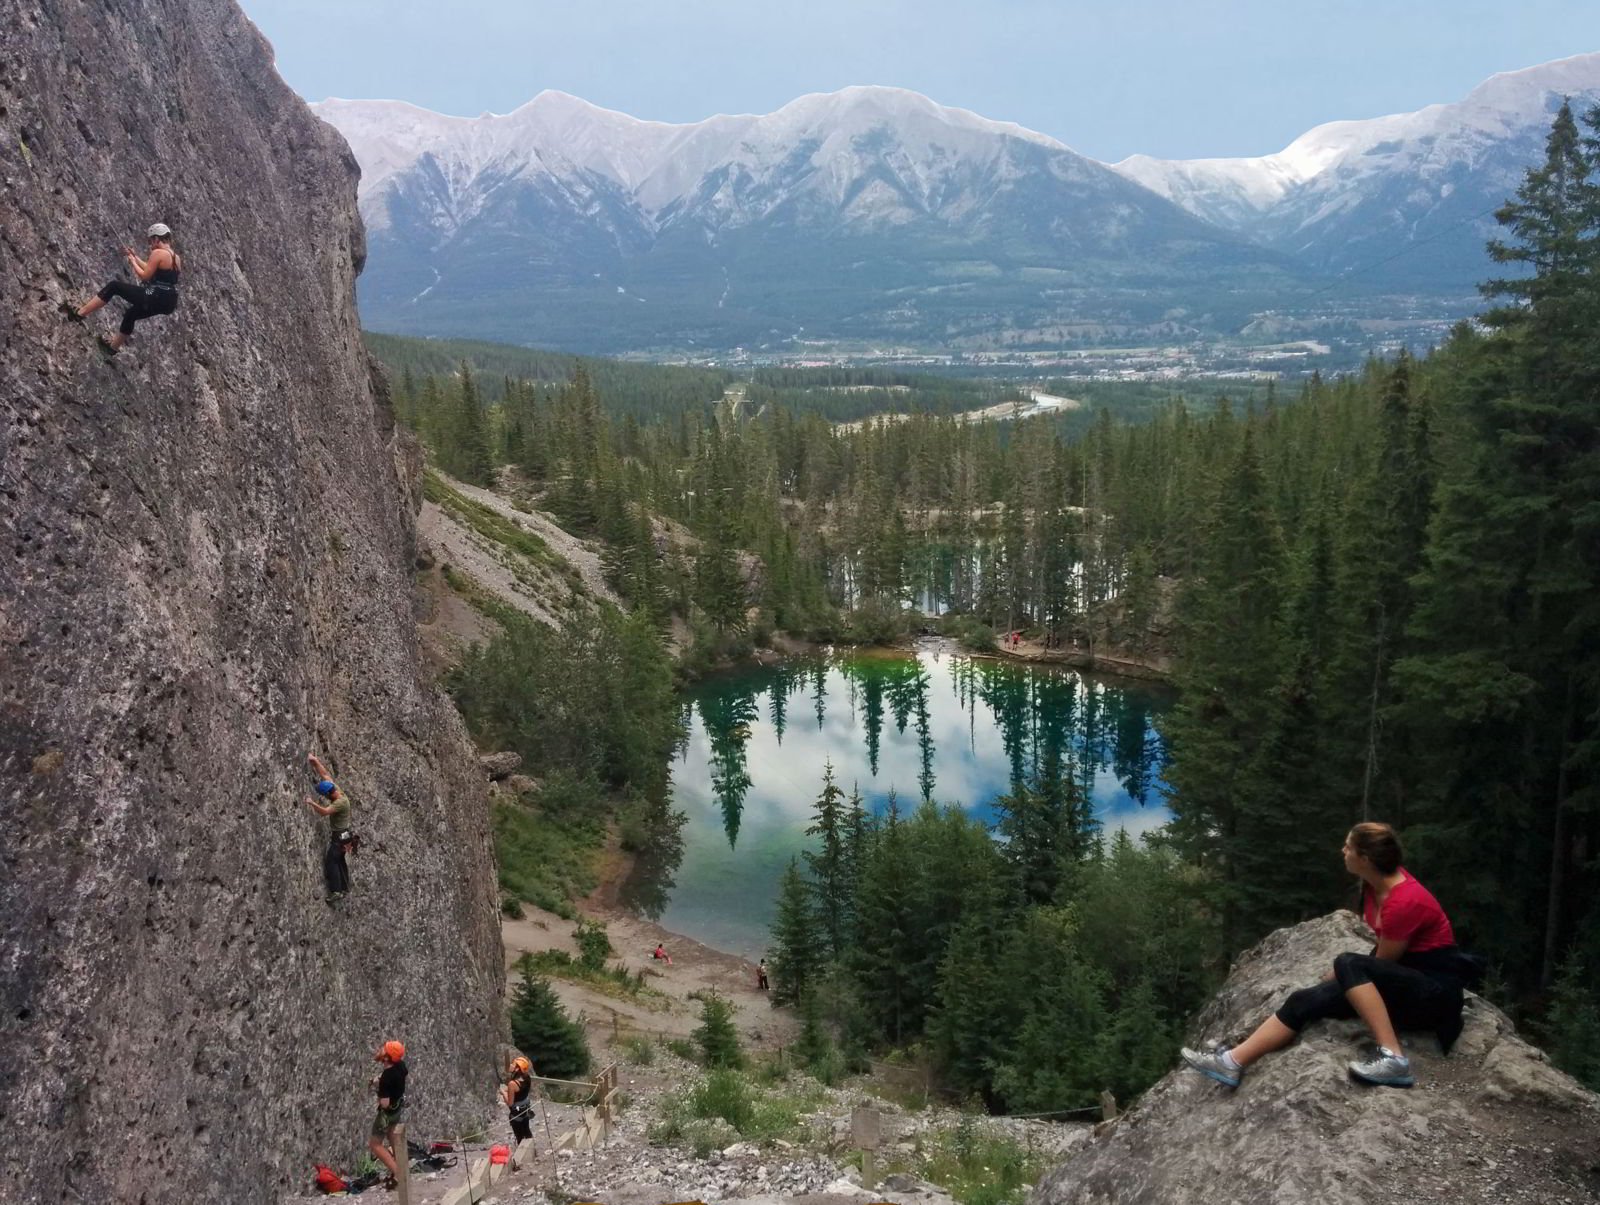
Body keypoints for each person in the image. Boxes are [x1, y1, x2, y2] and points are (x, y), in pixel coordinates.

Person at [1181, 822, 1468, 1090]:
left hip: (1435, 995)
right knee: (1304, 999)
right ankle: (1231, 1062)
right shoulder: (1376, 886)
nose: (1342, 851)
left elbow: (1384, 963)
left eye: (1348, 847)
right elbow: (1384, 955)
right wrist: (1346, 978)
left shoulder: (1404, 900)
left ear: (1365, 858)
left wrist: (1348, 973)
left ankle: (1394, 1059)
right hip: (1410, 979)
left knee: (1347, 962)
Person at [64, 223, 182, 355]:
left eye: (151, 241)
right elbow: (152, 268)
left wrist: (133, 262)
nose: (151, 245)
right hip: (168, 301)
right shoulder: (175, 257)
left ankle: (80, 313)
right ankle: (112, 348)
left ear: (156, 239)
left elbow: (145, 276)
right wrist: (134, 257)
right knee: (131, 314)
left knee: (114, 286)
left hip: (154, 296)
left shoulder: (158, 252)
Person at [302, 752, 354, 902]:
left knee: (331, 861)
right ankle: (344, 888)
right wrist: (314, 760)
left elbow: (324, 812)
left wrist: (311, 803)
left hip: (340, 838)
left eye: (324, 796)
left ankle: (336, 891)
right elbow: (324, 773)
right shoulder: (337, 790)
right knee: (339, 860)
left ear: (328, 795)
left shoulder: (340, 803)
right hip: (346, 836)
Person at [369, 1040, 408, 1186]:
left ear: (387, 1058)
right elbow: (394, 1079)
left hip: (387, 1113)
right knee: (392, 1137)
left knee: (375, 1144)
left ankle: (398, 1174)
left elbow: (384, 1103)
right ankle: (403, 1169)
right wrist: (379, 1082)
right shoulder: (401, 1066)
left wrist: (378, 1092)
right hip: (397, 1108)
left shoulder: (386, 1077)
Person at [503, 1055, 535, 1146]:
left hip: (516, 1112)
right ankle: (532, 1148)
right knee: (526, 1130)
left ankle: (522, 1152)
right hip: (525, 1109)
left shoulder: (512, 1084)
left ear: (517, 1069)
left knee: (519, 1135)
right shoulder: (527, 1078)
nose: (511, 1065)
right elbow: (520, 1091)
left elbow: (510, 1103)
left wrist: (503, 1093)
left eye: (513, 1064)